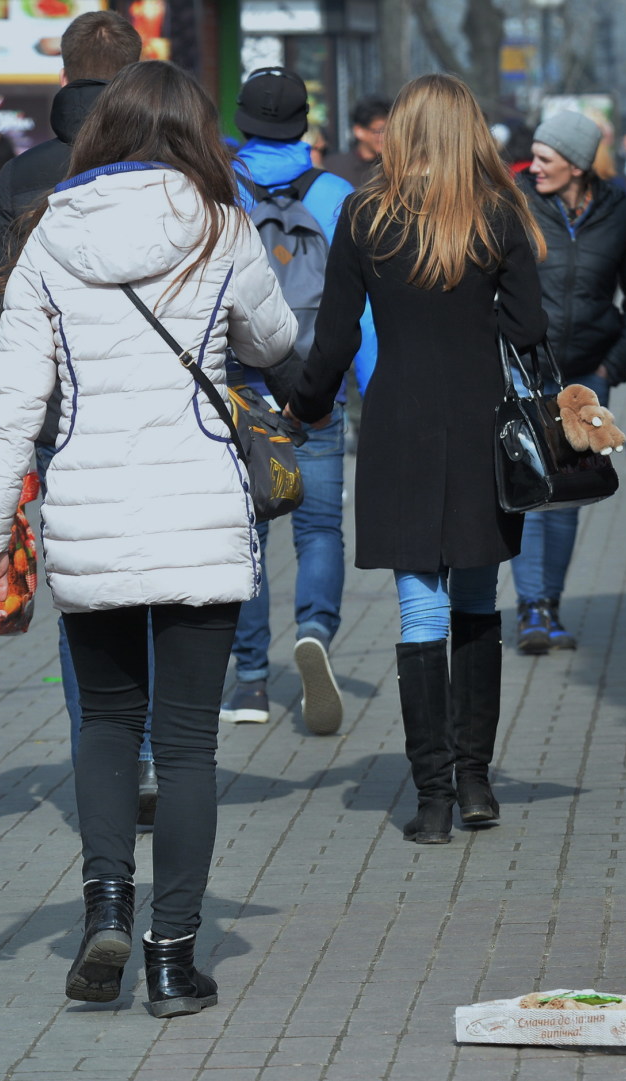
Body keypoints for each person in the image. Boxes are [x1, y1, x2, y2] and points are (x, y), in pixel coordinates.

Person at [0, 60, 298, 1019]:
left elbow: (11, 403)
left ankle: (105, 905)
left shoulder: (51, 233)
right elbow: (271, 342)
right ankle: (172, 960)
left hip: (89, 520)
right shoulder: (221, 225)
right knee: (187, 746)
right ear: (197, 132)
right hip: (199, 513)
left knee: (107, 724)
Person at [284, 73, 547, 845]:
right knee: (475, 597)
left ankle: (429, 796)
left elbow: (333, 341)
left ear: (400, 132)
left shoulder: (365, 215)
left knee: (420, 607)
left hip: (397, 424)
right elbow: (530, 328)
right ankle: (475, 783)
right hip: (480, 427)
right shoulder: (497, 214)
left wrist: (301, 410)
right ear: (470, 132)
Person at [0, 10, 150, 814]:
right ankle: (150, 753)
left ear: (66, 74)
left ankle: (102, 762)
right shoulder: (169, 165)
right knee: (154, 583)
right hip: (155, 413)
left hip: (56, 425)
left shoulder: (22, 175)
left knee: (84, 590)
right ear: (138, 72)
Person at [218, 66, 377, 732]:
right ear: (306, 122)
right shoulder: (339, 192)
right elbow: (362, 307)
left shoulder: (220, 188)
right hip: (317, 387)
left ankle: (250, 680)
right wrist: (375, 389)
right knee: (318, 529)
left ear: (244, 120)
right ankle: (313, 629)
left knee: (244, 534)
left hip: (239, 386)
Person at [509, 111, 626, 655]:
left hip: (587, 378)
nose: (534, 166)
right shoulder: (518, 203)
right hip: (525, 374)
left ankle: (549, 604)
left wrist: (611, 368)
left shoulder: (619, 212)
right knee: (528, 491)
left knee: (568, 494)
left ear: (575, 164)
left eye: (545, 158)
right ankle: (528, 609)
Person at [322, 95, 389, 188]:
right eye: (379, 131)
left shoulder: (395, 168)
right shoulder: (334, 167)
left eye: (390, 130)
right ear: (359, 131)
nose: (386, 136)